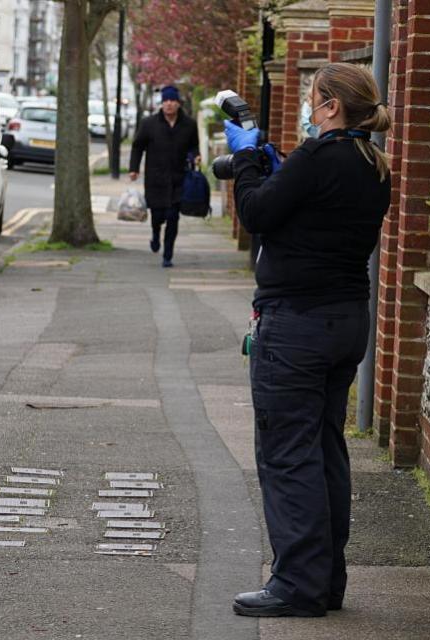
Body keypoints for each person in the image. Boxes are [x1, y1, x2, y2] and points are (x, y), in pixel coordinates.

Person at [224, 63, 391, 617]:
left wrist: (248, 159)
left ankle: (296, 585)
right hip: (345, 320)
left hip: (295, 326)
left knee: (288, 456)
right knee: (323, 452)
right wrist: (278, 171)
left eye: (312, 98)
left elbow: (256, 212)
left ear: (332, 106)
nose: (306, 106)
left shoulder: (320, 157)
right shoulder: (373, 164)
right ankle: (325, 581)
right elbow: (300, 213)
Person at [128, 85, 200, 268]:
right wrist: (134, 168)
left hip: (179, 178)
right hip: (155, 178)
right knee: (158, 214)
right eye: (166, 101)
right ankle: (155, 234)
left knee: (173, 216)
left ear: (178, 103)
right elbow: (137, 146)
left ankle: (168, 254)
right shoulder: (149, 124)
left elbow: (194, 146)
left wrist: (195, 156)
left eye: (172, 101)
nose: (168, 104)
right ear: (162, 103)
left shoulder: (189, 125)